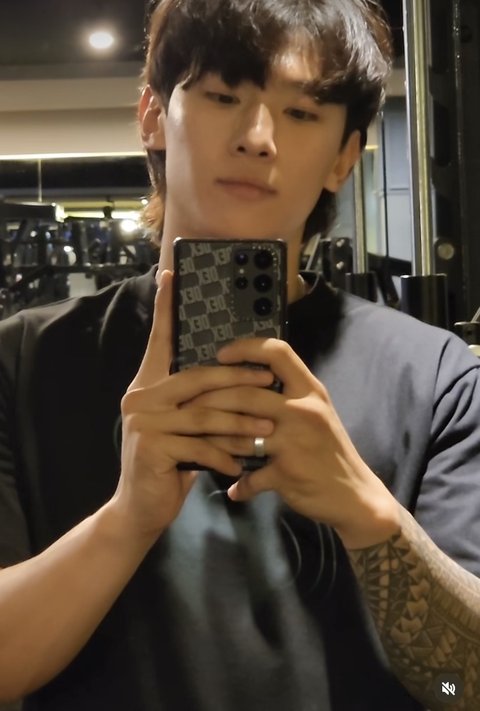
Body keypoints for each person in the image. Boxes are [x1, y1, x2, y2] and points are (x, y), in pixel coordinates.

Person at [0, 0, 479, 709]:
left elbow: (463, 686)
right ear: (153, 116)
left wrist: (367, 513)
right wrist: (127, 519)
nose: (257, 138)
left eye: (302, 113)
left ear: (345, 157)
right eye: (224, 97)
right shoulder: (24, 361)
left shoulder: (435, 378)